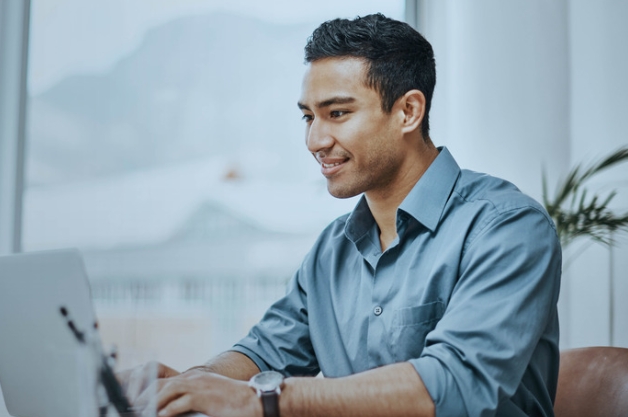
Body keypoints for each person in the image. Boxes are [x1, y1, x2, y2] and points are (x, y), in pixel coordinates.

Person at [125, 12, 561, 417]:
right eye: (308, 117)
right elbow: (263, 352)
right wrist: (189, 383)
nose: (315, 139)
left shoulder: (507, 228)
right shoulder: (332, 250)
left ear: (408, 111)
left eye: (337, 113)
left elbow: (453, 384)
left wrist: (258, 400)